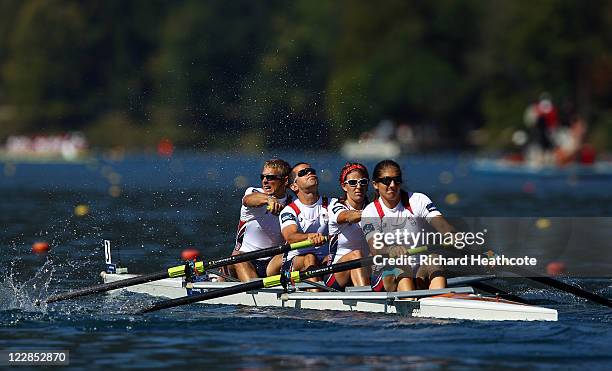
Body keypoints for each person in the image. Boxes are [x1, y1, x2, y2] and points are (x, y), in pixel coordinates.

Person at [360, 160, 455, 292]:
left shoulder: (418, 200)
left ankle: (439, 301)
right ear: (375, 184)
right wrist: (391, 249)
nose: (392, 185)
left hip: (418, 272)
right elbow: (375, 248)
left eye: (396, 180)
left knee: (434, 259)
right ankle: (410, 303)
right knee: (401, 263)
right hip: (386, 274)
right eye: (387, 181)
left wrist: (450, 234)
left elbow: (442, 225)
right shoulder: (370, 211)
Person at [232, 159, 292, 282]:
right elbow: (247, 200)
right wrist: (268, 199)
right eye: (263, 177)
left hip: (274, 263)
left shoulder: (293, 203)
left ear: (285, 180)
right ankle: (256, 294)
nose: (265, 181)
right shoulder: (254, 192)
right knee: (237, 256)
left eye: (271, 177)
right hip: (246, 259)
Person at [324, 162, 371, 290]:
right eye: (352, 183)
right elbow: (348, 216)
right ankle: (367, 301)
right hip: (336, 272)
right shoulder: (336, 206)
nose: (358, 186)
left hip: (366, 267)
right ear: (344, 186)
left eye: (363, 182)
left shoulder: (373, 207)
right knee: (356, 255)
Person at [279, 163, 328, 282]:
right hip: (295, 260)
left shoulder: (331, 204)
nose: (309, 173)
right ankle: (316, 298)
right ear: (294, 186)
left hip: (325, 259)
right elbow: (290, 236)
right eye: (303, 173)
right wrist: (309, 237)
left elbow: (345, 215)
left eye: (311, 170)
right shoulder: (289, 210)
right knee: (310, 258)